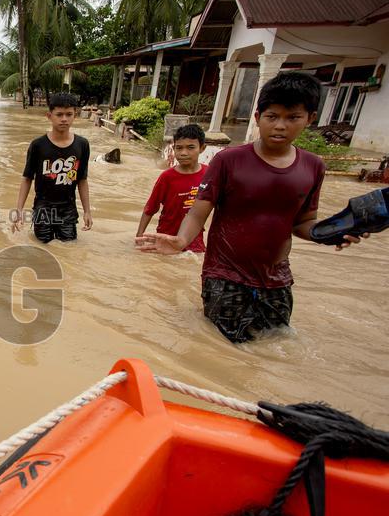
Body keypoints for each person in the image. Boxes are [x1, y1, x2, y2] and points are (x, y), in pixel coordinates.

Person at [136, 72, 365, 343]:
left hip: (277, 278)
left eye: (292, 117)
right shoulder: (228, 161)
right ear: (258, 117)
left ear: (310, 119)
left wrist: (329, 233)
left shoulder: (313, 167)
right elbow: (199, 210)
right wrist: (181, 240)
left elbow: (304, 222)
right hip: (224, 275)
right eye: (272, 116)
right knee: (219, 347)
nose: (281, 126)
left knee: (274, 348)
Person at [11, 92, 93, 242]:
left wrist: (87, 211)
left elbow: (82, 179)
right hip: (43, 207)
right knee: (43, 246)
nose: (64, 119)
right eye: (59, 114)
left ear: (75, 115)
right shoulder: (38, 145)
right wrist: (19, 210)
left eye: (69, 114)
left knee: (68, 247)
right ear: (49, 116)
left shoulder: (82, 145)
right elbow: (27, 178)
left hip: (68, 208)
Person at [136, 124, 208, 252]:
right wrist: (139, 237)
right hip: (166, 239)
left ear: (202, 148)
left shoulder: (209, 175)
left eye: (190, 147)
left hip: (195, 242)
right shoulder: (167, 177)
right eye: (179, 148)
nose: (184, 153)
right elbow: (150, 208)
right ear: (173, 149)